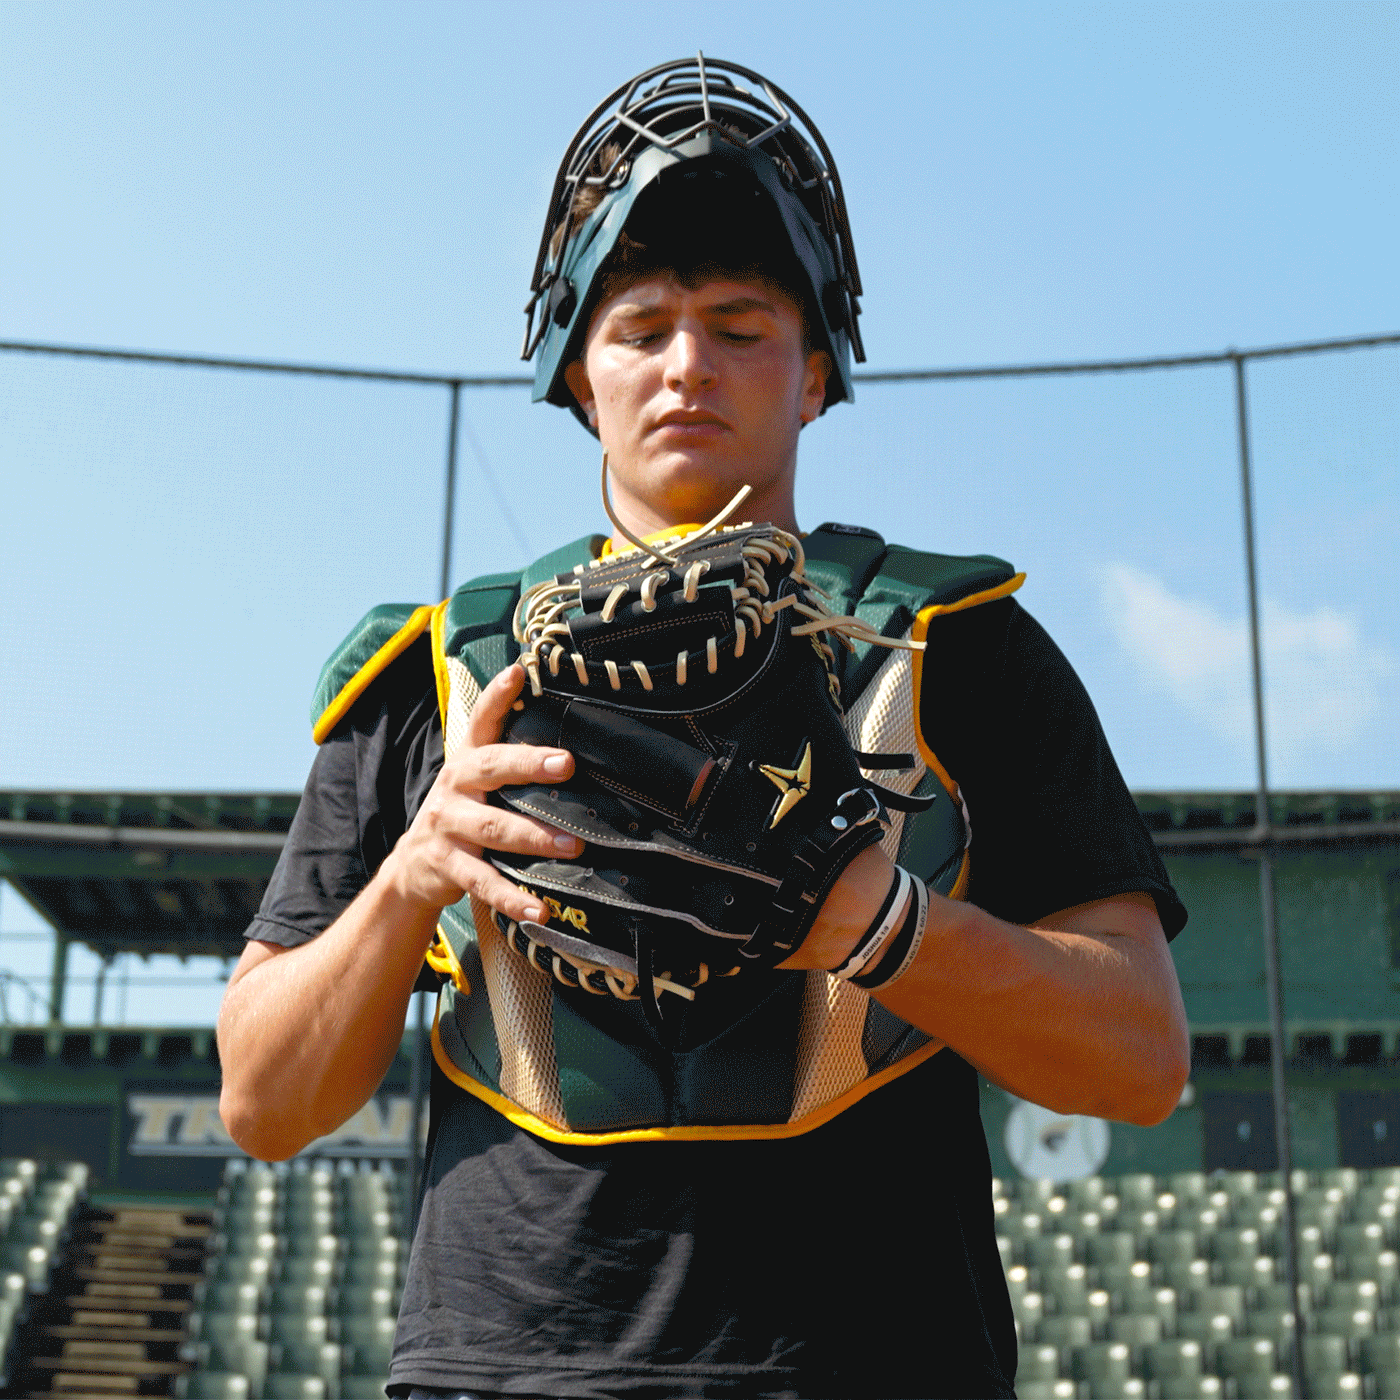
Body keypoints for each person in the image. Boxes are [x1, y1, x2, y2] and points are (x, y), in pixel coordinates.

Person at [218, 56, 1190, 1399]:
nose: (689, 366)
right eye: (641, 329)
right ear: (579, 375)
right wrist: (411, 881)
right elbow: (263, 1102)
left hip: (873, 1364)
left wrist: (883, 925)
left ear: (814, 375)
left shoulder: (958, 648)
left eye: (741, 326)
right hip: (501, 1366)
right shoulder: (433, 676)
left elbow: (1140, 1057)